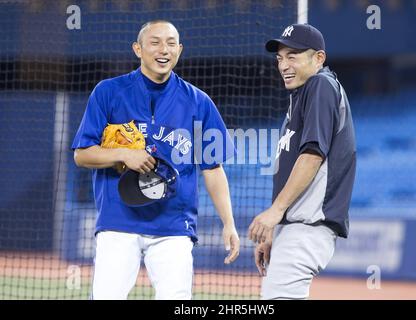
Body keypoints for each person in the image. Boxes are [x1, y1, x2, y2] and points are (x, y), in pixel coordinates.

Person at [72, 20, 240, 300]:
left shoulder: (199, 102)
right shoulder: (108, 92)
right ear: (138, 49)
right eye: (155, 42)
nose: (164, 50)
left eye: (171, 43)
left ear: (180, 50)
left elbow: (213, 169)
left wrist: (229, 223)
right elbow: (81, 154)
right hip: (118, 222)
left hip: (173, 226)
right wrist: (123, 154)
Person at [248, 24, 356, 300]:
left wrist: (275, 212)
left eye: (293, 56)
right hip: (294, 227)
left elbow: (312, 156)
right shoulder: (301, 96)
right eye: (280, 58)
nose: (284, 64)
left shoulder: (320, 85)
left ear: (318, 58)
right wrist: (277, 225)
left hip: (308, 228)